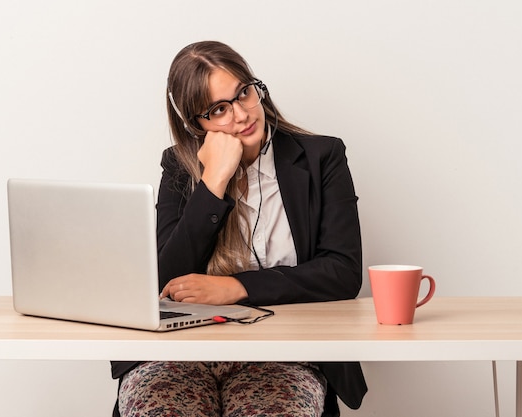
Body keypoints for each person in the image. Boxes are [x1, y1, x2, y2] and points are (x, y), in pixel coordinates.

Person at [111, 40, 367, 417]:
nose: (242, 114)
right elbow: (163, 283)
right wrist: (213, 182)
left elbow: (342, 272)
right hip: (177, 356)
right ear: (196, 124)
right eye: (219, 109)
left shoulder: (322, 157)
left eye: (244, 92)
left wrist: (237, 287)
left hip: (284, 353)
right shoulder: (179, 168)